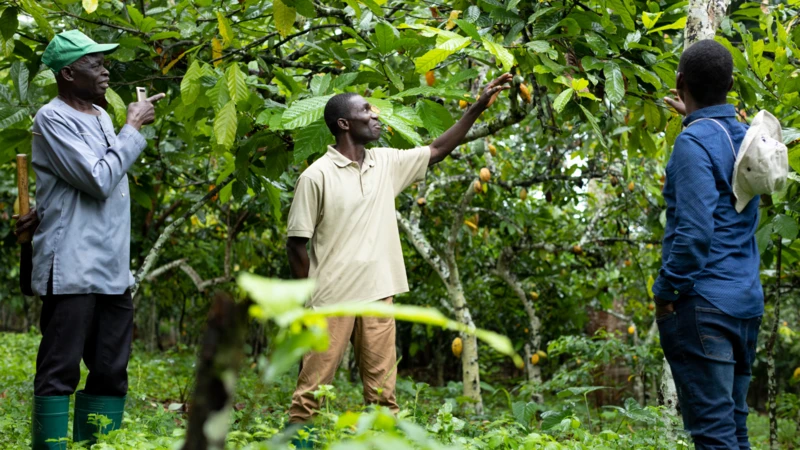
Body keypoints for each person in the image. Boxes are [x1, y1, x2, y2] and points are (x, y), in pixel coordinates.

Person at [285, 74, 512, 438]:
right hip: (331, 300)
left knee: (383, 396)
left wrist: (476, 108)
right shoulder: (316, 176)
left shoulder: (386, 163)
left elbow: (436, 150)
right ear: (344, 124)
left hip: (379, 294)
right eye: (366, 111)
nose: (375, 116)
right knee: (310, 394)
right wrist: (309, 299)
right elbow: (297, 243)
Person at [23, 30, 164, 449]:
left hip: (112, 267)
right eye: (95, 64)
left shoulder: (100, 116)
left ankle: (96, 445)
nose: (105, 72)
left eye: (104, 63)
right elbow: (99, 179)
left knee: (110, 372)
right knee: (59, 370)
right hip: (72, 265)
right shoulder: (51, 118)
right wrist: (132, 127)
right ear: (68, 73)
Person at [655, 39, 763, 449]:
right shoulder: (746, 138)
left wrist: (665, 292)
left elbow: (695, 233)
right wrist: (696, 117)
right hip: (745, 303)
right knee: (734, 426)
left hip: (705, 306)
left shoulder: (693, 143)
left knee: (714, 435)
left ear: (680, 81)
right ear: (731, 84)